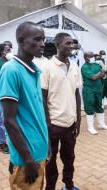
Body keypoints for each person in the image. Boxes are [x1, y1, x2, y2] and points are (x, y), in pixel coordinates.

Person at [0, 22, 49, 190]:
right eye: (37, 39)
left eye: (43, 39)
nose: (42, 44)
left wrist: (45, 144)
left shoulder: (34, 70)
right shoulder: (11, 71)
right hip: (28, 160)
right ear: (21, 41)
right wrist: (28, 160)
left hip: (37, 154)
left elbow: (35, 113)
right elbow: (9, 122)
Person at [41, 33, 81, 190]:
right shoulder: (47, 67)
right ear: (57, 45)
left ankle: (68, 184)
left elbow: (77, 94)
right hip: (54, 124)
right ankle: (50, 187)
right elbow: (43, 98)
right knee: (50, 160)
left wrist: (78, 119)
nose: (71, 46)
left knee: (69, 158)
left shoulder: (75, 66)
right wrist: (48, 121)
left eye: (72, 43)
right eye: (68, 43)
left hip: (70, 123)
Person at [81, 51, 107, 135]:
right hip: (89, 91)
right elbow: (94, 77)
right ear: (86, 58)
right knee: (90, 108)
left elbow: (104, 73)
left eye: (93, 56)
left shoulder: (96, 65)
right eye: (91, 57)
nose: (93, 58)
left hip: (98, 90)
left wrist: (103, 71)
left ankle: (101, 124)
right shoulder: (84, 67)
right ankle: (90, 127)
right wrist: (102, 72)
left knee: (99, 107)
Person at [0, 43, 12, 154]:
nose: (10, 52)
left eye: (10, 49)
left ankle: (11, 141)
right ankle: (2, 143)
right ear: (2, 53)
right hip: (0, 96)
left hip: (11, 96)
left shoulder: (10, 62)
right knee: (2, 121)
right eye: (8, 50)